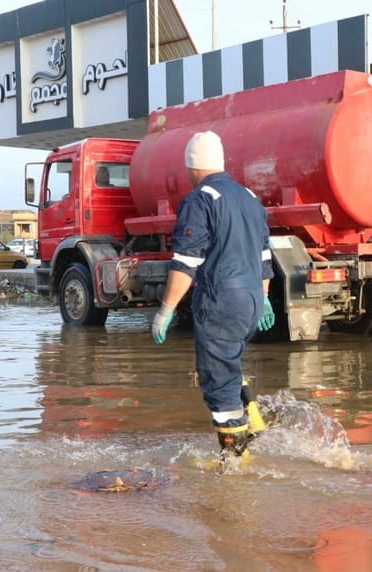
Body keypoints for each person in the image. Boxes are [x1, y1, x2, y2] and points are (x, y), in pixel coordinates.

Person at [151, 130, 275, 458]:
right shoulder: (249, 196)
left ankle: (236, 463)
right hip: (250, 299)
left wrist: (165, 310)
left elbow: (186, 262)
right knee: (228, 359)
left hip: (222, 300)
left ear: (191, 167)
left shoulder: (199, 199)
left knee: (216, 379)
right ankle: (255, 421)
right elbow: (264, 258)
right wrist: (263, 299)